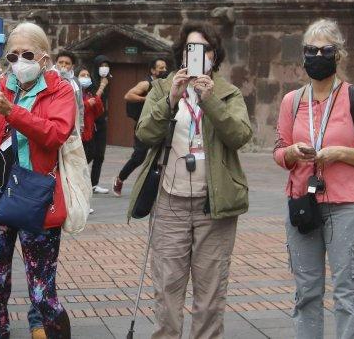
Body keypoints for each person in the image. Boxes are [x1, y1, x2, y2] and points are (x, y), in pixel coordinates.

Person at [128, 24, 252, 339]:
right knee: (167, 285)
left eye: (205, 49)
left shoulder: (227, 92)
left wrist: (210, 101)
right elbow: (144, 134)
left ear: (215, 55)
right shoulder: (162, 88)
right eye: (190, 48)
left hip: (215, 204)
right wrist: (170, 98)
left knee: (210, 291)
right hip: (170, 199)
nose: (198, 55)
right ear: (181, 54)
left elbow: (239, 136)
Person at [274, 18, 354, 339]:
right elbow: (279, 152)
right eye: (310, 50)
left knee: (348, 294)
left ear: (338, 55)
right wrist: (294, 152)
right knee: (306, 292)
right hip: (302, 203)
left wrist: (340, 153)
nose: (316, 56)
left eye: (325, 50)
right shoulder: (292, 101)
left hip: (347, 207)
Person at [0, 21, 73, 338]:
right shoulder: (0, 85)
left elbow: (54, 134)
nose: (18, 62)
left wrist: (12, 112)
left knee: (42, 290)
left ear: (44, 58)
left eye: (27, 54)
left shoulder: (59, 89)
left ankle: (54, 331)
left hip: (34, 195)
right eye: (12, 56)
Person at [113, 58, 169, 196]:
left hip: (160, 124)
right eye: (161, 68)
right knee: (139, 157)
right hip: (144, 125)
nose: (164, 70)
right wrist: (148, 99)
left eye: (165, 67)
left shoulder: (165, 84)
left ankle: (157, 187)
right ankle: (120, 179)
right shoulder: (145, 83)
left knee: (162, 155)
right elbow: (128, 96)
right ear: (153, 70)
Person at [87, 55, 112, 193]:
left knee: (100, 155)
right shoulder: (90, 81)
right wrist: (102, 86)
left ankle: (94, 184)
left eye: (106, 65)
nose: (104, 68)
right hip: (91, 122)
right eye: (102, 65)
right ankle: (78, 176)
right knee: (90, 152)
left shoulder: (108, 80)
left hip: (102, 121)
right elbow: (94, 100)